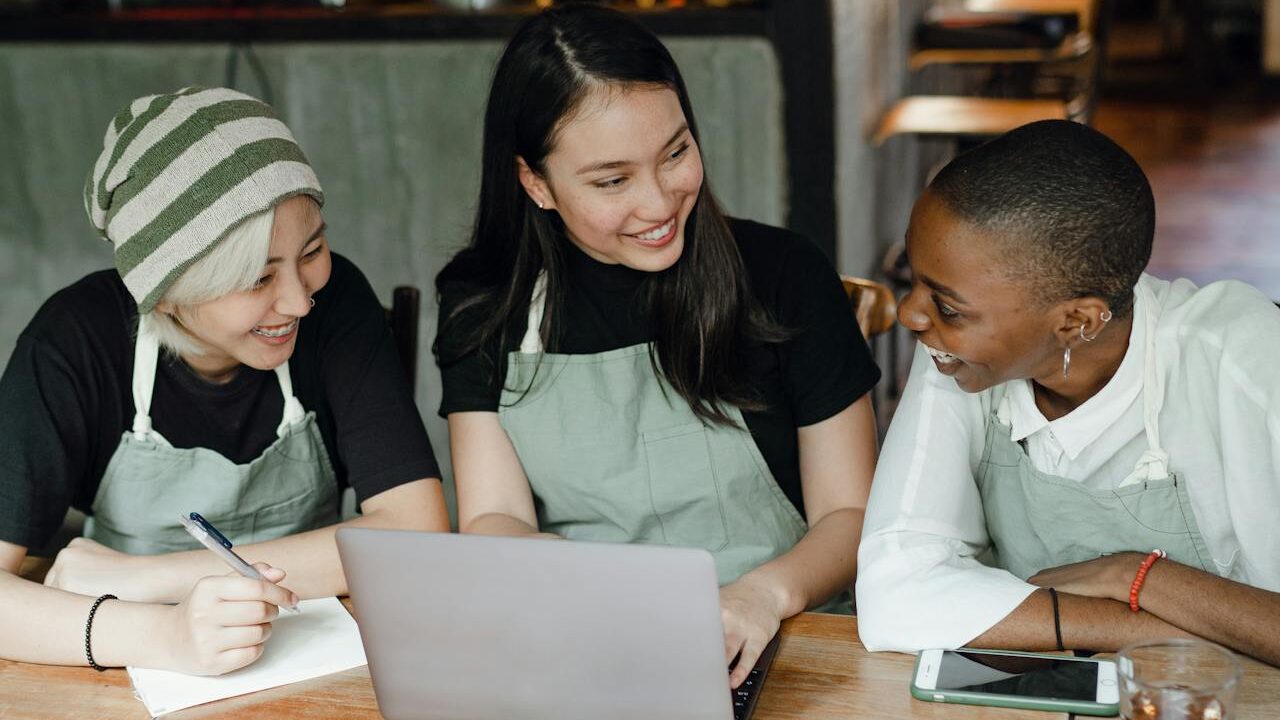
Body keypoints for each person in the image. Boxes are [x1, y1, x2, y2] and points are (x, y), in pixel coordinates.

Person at [433, 5, 880, 687]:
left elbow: (851, 515)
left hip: (788, 639)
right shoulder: (484, 303)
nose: (659, 203)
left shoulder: (784, 275)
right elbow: (494, 515)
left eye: (675, 152)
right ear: (535, 183)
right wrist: (588, 590)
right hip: (582, 641)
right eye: (612, 180)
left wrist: (760, 597)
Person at [0, 87, 450, 674]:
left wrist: (144, 577)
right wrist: (163, 634)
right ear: (164, 295)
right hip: (129, 663)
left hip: (315, 650)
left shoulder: (337, 305)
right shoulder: (74, 340)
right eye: (257, 279)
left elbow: (415, 533)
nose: (299, 301)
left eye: (312, 249)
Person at [857, 119, 1280, 666]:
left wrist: (1135, 575)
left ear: (1078, 321)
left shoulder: (1243, 360)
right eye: (914, 280)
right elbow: (895, 595)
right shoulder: (956, 352)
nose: (911, 314)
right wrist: (1167, 629)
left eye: (948, 305)